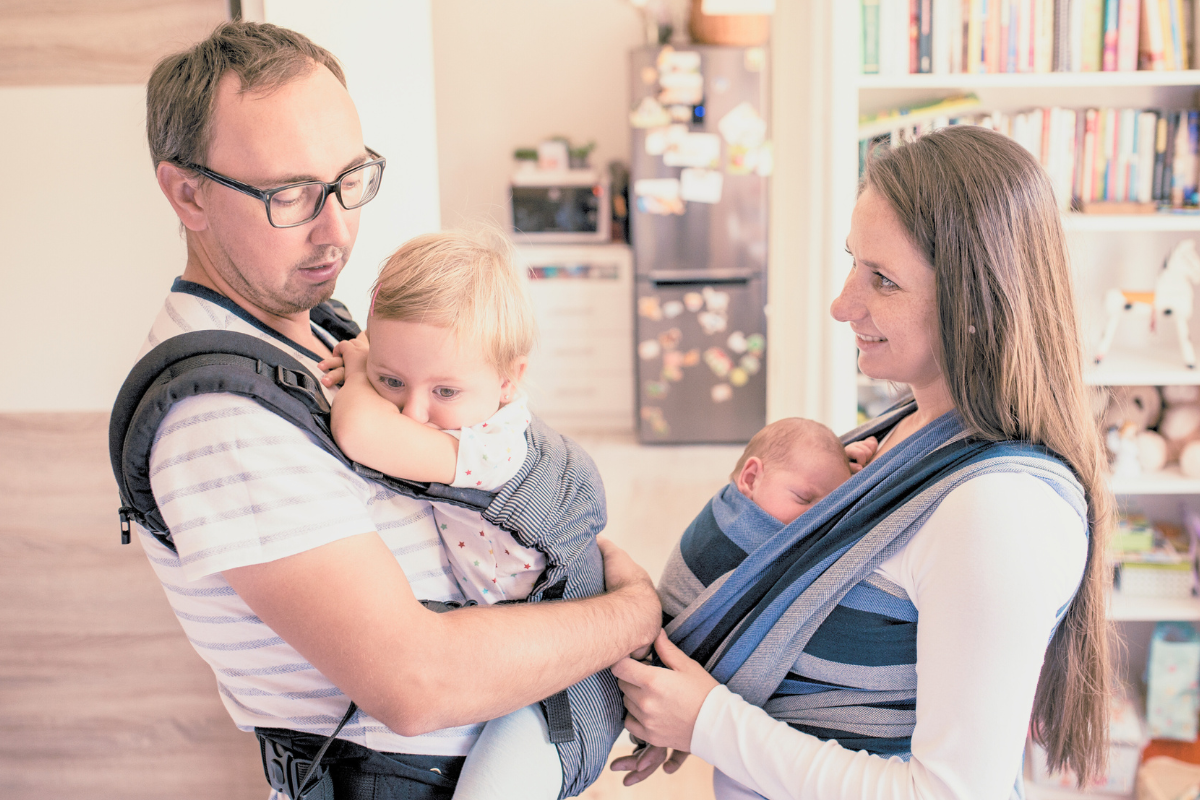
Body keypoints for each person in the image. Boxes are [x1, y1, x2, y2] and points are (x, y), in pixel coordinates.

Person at [135, 21, 659, 798]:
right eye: (289, 195)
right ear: (187, 193)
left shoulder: (328, 332)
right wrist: (629, 615)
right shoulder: (220, 419)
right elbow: (418, 686)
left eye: (349, 180)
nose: (338, 228)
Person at [610, 125, 1113, 799]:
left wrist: (709, 723)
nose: (842, 304)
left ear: (977, 302)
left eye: (883, 280)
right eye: (854, 262)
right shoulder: (903, 434)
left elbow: (950, 793)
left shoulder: (997, 513)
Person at [318, 229, 583, 800]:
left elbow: (361, 432)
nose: (414, 412)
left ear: (509, 381)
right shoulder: (467, 404)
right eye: (394, 381)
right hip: (504, 645)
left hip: (550, 674)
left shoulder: (497, 447)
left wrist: (365, 367)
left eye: (445, 390)